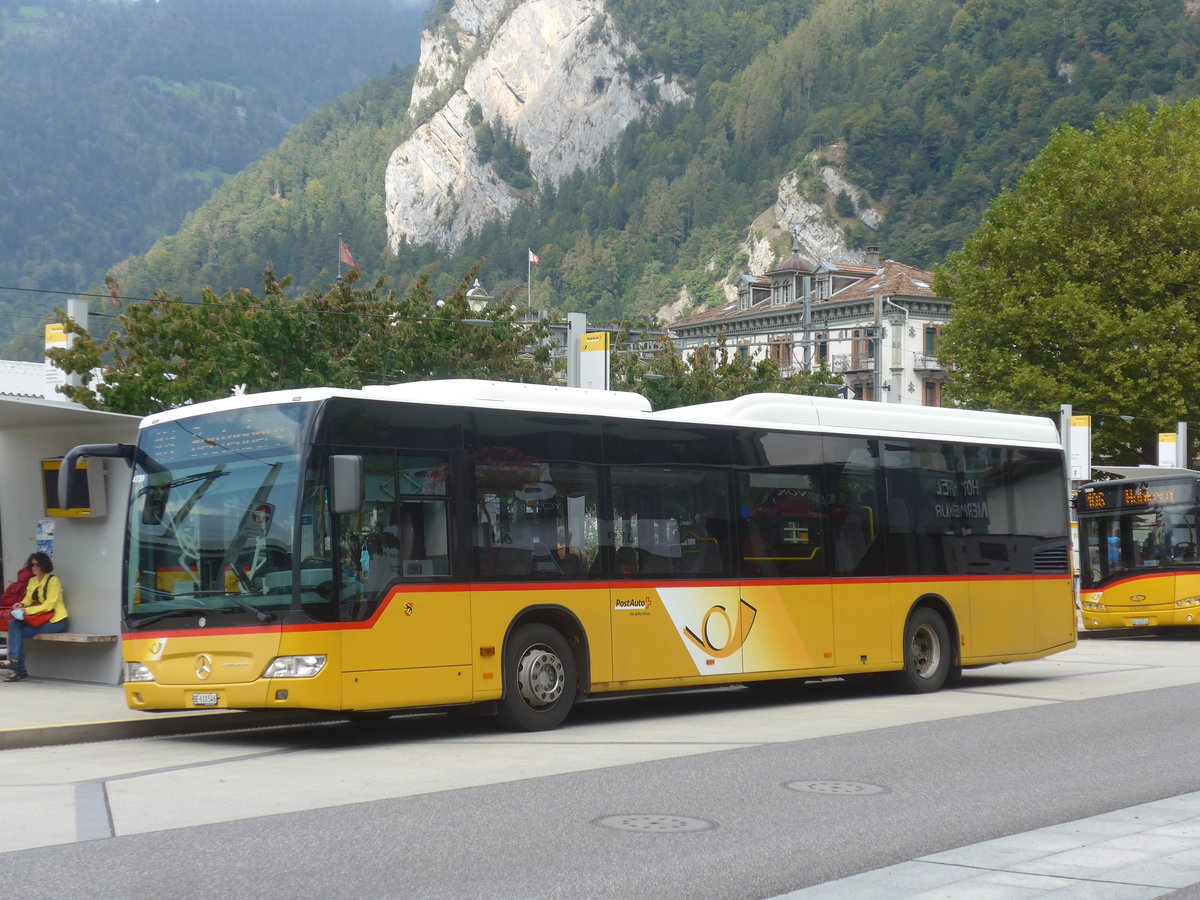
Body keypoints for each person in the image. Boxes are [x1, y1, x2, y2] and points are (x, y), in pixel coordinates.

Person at [1, 552, 69, 682]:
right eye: (32, 565)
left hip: (55, 621)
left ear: (44, 565)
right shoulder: (32, 581)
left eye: (37, 565)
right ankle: (14, 662)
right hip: (39, 619)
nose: (34, 567)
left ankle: (18, 669)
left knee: (17, 632)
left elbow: (49, 606)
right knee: (14, 624)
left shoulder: (53, 580)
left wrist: (26, 611)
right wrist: (20, 604)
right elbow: (27, 600)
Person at [1, 561, 32, 632]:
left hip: (10, 612)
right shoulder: (32, 583)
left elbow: (3, 599)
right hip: (20, 614)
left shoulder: (15, 584)